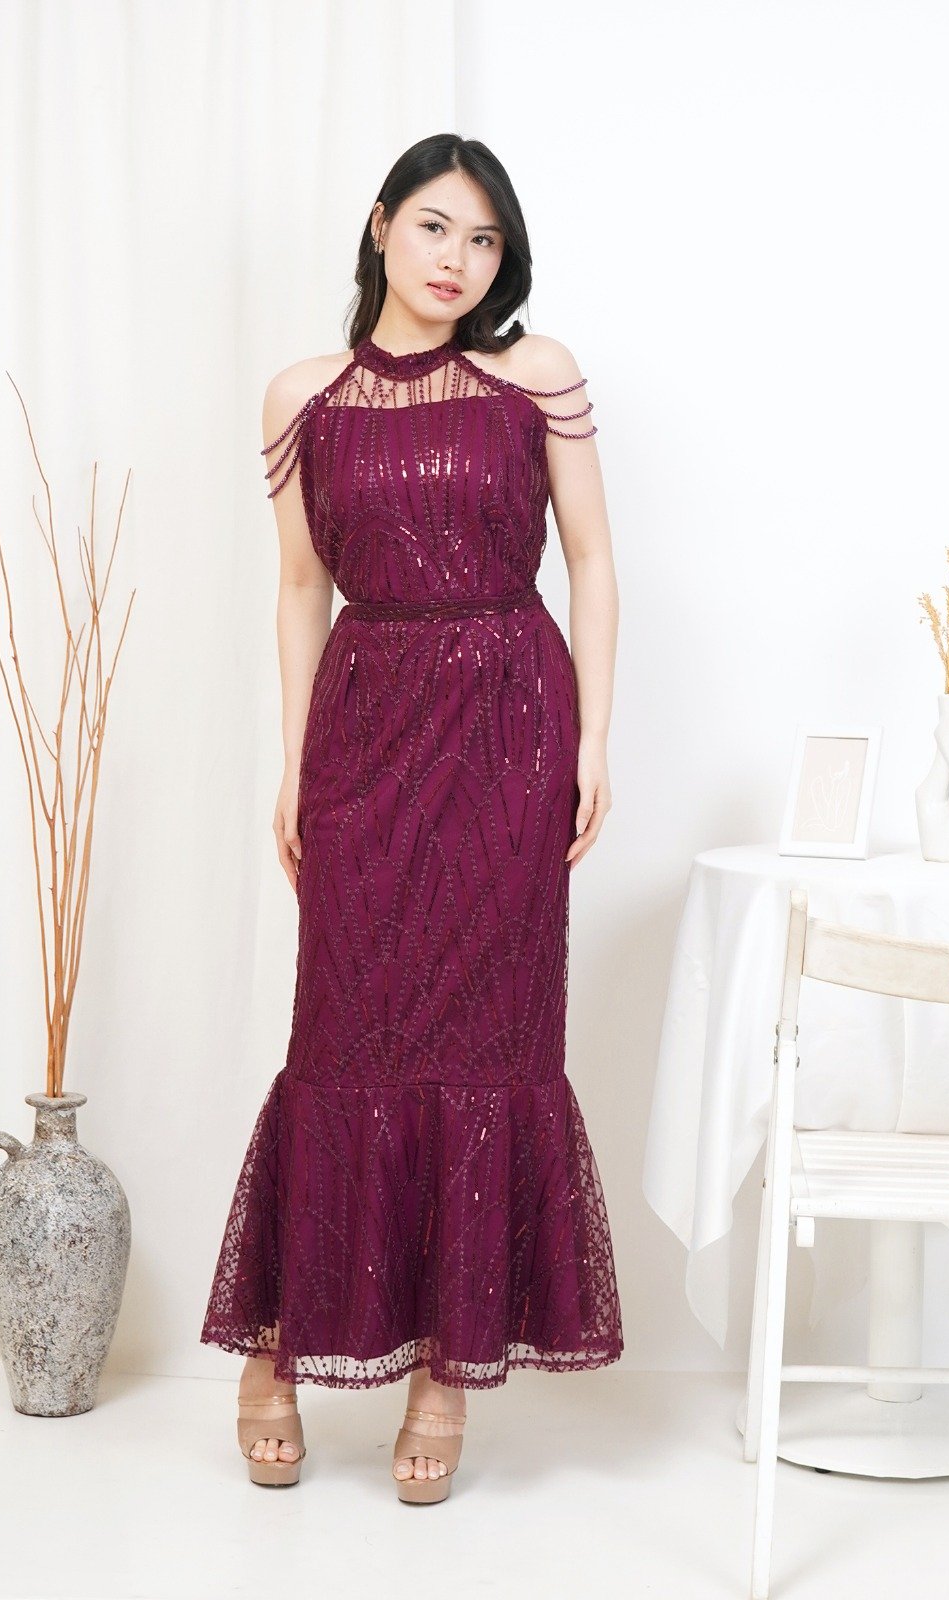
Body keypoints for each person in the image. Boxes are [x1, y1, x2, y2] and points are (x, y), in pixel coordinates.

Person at [200, 132, 624, 1504]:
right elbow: (299, 589)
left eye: (484, 239)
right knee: (343, 1032)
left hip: (511, 725)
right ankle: (276, 1349)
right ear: (381, 226)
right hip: (366, 728)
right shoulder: (303, 397)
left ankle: (447, 1373)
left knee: (494, 1037)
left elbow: (594, 562)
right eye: (436, 227)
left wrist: (593, 741)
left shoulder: (536, 376)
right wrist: (290, 765)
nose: (458, 260)